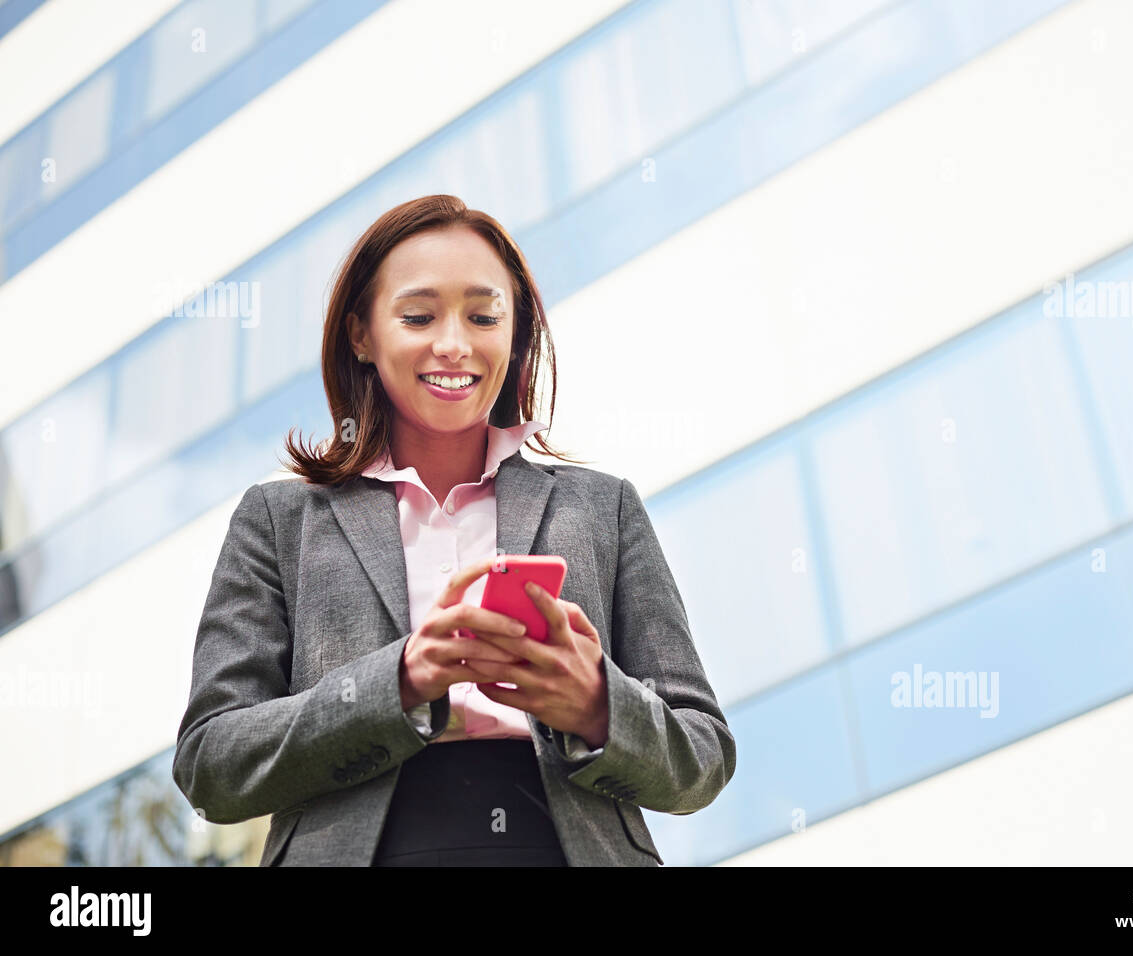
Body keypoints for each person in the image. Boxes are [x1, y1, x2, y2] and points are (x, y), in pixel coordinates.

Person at [172, 194, 736, 866]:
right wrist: (400, 683)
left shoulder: (601, 507)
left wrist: (595, 706)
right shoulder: (280, 522)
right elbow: (212, 763)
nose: (454, 344)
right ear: (362, 334)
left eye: (484, 315)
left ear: (516, 331)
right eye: (417, 315)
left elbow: (702, 755)